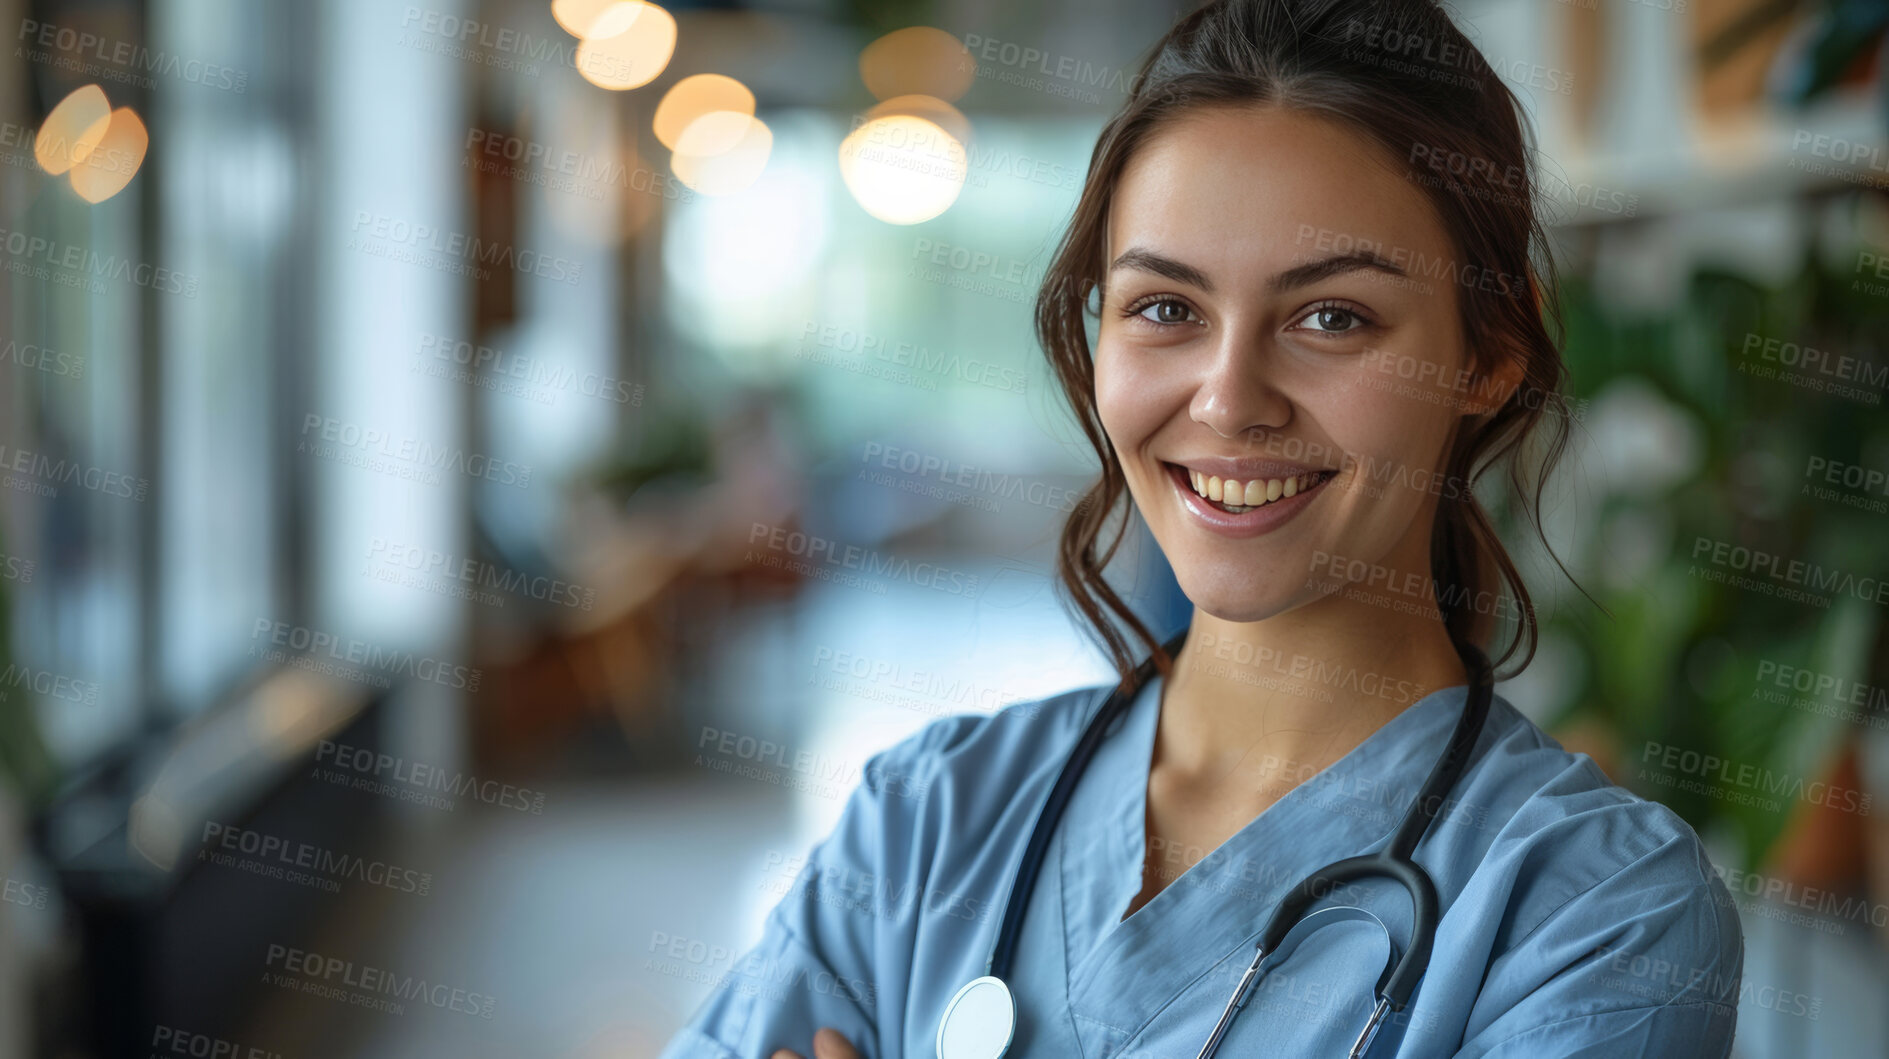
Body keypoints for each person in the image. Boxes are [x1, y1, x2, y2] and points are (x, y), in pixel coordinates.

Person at [660, 0, 1744, 1055]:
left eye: (1330, 317)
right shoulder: (925, 820)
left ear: (1486, 355)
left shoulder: (1592, 919)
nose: (1228, 400)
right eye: (1165, 309)